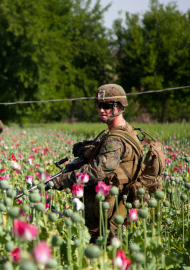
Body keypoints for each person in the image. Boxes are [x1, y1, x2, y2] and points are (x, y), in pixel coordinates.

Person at [52, 84, 142, 243]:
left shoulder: (115, 139)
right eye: (99, 105)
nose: (101, 110)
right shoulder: (127, 131)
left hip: (110, 214)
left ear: (120, 106)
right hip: (114, 207)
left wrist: (60, 181)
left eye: (107, 106)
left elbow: (95, 172)